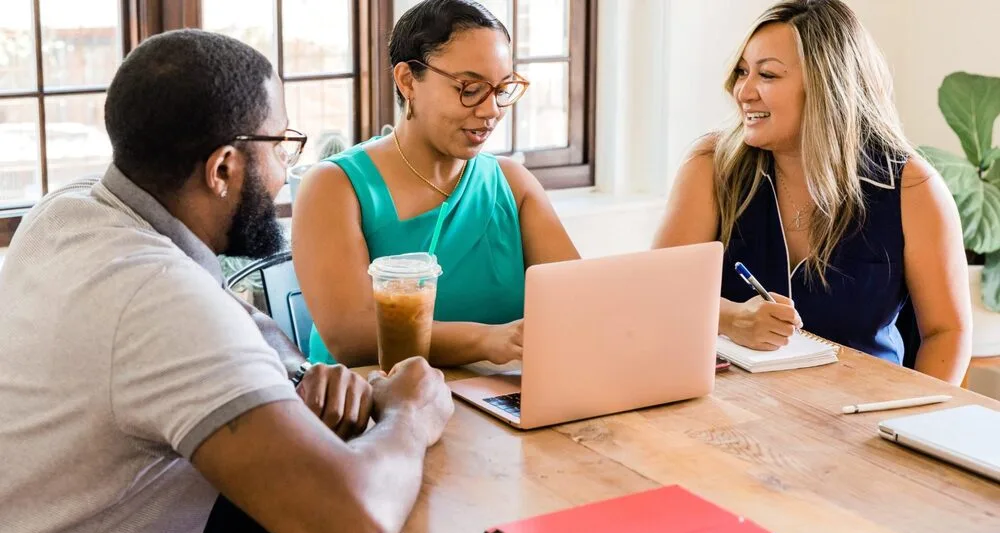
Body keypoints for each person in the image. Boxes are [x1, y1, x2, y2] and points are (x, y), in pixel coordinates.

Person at [0, 29, 453, 533]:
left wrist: (296, 376)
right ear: (222, 169)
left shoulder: (70, 210)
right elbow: (354, 529)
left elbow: (222, 316)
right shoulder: (155, 298)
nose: (287, 172)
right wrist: (410, 415)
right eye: (281, 146)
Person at [652, 0, 971, 384]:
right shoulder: (710, 167)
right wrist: (730, 318)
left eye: (767, 75)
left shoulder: (912, 187)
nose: (743, 91)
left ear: (827, 85)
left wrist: (915, 424)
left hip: (862, 417)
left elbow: (946, 332)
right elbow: (656, 294)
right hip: (733, 412)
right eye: (742, 72)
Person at [292, 0, 580, 368]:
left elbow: (576, 302)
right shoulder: (335, 186)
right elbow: (351, 335)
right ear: (408, 80)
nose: (491, 110)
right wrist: (486, 341)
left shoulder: (512, 185)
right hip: (374, 414)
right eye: (470, 88)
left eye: (502, 89)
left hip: (496, 409)